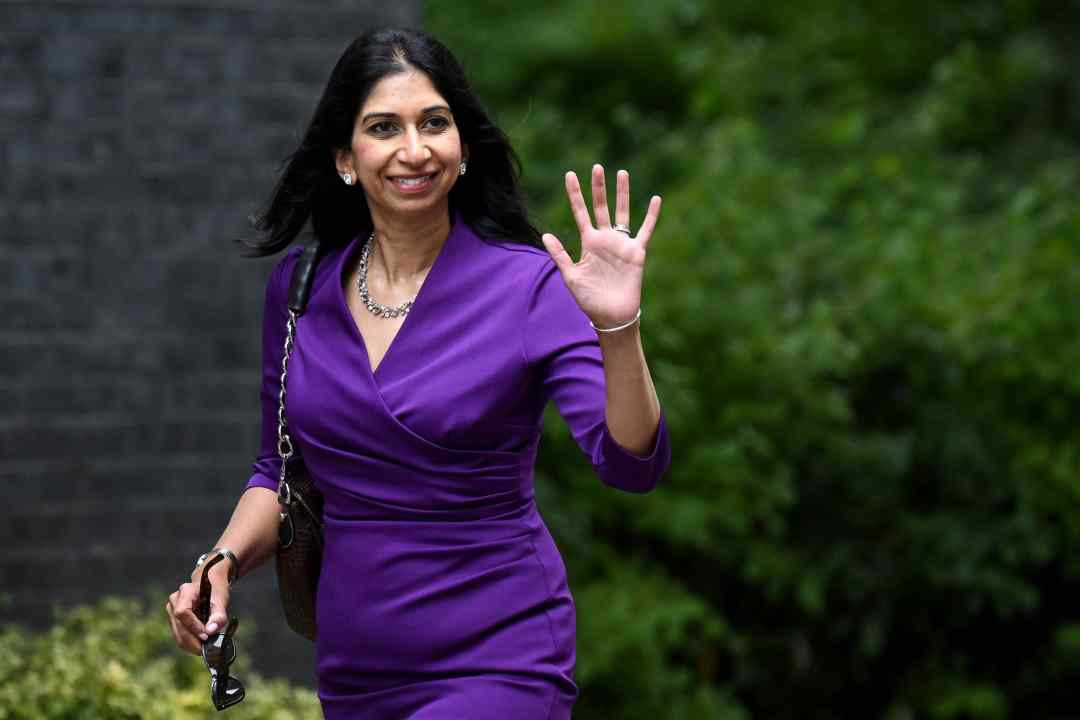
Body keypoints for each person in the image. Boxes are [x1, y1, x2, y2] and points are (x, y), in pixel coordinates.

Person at [164, 27, 671, 719]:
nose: (414, 149)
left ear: (463, 147)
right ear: (345, 157)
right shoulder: (302, 286)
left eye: (434, 123)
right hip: (356, 668)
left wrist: (618, 326)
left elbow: (631, 463)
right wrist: (220, 561)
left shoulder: (528, 287)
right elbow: (277, 471)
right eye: (384, 127)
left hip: (500, 656)